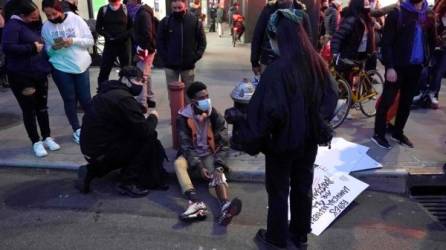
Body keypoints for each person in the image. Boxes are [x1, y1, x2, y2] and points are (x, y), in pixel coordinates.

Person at [225, 9, 337, 249]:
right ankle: (299, 235)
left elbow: (266, 113)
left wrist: (244, 129)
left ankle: (276, 238)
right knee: (302, 187)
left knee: (278, 191)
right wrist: (314, 121)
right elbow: (331, 98)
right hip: (308, 141)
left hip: (282, 143)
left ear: (279, 38)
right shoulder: (317, 63)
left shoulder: (277, 71)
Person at [78, 66, 168, 197]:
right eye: (137, 80)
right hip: (102, 150)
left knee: (132, 136)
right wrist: (153, 117)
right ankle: (128, 182)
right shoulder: (123, 99)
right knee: (148, 138)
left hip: (89, 148)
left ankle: (91, 170)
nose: (140, 85)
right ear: (125, 79)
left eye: (142, 81)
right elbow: (145, 130)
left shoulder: (106, 92)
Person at [175, 81, 242, 225]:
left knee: (218, 172)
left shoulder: (214, 114)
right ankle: (195, 201)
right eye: (201, 98)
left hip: (209, 153)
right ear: (192, 101)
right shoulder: (183, 117)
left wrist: (219, 165)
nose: (206, 100)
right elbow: (186, 146)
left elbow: (224, 143)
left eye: (207, 96)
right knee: (178, 163)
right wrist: (199, 166)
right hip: (192, 155)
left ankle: (225, 205)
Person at [373, 0, 435, 149]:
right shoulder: (397, 13)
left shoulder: (428, 15)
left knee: (406, 103)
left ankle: (398, 132)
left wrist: (427, 62)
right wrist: (390, 67)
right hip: (397, 66)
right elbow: (386, 43)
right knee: (387, 101)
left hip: (416, 67)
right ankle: (378, 134)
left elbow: (431, 40)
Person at [2, 0, 60, 157]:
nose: (36, 18)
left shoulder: (34, 24)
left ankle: (47, 137)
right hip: (21, 76)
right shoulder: (13, 26)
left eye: (37, 15)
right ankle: (36, 141)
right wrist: (32, 48)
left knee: (42, 107)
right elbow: (7, 48)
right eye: (33, 16)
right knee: (29, 110)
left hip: (39, 72)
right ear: (23, 16)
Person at [41, 0, 93, 144]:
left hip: (80, 65)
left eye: (54, 13)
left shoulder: (76, 20)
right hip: (60, 66)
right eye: (47, 15)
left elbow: (90, 41)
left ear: (60, 10)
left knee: (86, 99)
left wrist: (73, 40)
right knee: (69, 99)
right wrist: (53, 48)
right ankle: (77, 129)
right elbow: (48, 52)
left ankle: (92, 126)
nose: (51, 18)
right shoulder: (46, 27)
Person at [156, 0, 206, 100]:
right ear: (171, 7)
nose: (177, 10)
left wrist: (195, 57)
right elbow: (159, 42)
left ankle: (187, 115)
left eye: (180, 8)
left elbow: (202, 42)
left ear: (185, 6)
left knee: (189, 96)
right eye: (174, 8)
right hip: (170, 66)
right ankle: (175, 115)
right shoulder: (165, 22)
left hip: (188, 66)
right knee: (173, 96)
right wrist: (165, 58)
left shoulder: (194, 21)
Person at [250, 0, 311, 75]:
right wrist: (254, 61)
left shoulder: (301, 12)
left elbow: (308, 41)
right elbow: (258, 34)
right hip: (269, 60)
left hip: (293, 64)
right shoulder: (269, 9)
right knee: (268, 85)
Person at [413, 0, 446, 109]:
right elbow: (429, 33)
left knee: (438, 73)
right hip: (431, 49)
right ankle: (421, 92)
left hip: (443, 50)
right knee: (425, 71)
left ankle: (431, 94)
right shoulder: (434, 16)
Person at [331, 0, 376, 77]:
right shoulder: (352, 20)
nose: (367, 3)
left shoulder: (366, 19)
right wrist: (335, 54)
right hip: (351, 55)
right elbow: (337, 37)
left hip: (362, 55)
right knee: (348, 79)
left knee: (361, 78)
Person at [126, 0, 158, 111]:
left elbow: (146, 35)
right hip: (147, 48)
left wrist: (140, 53)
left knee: (141, 76)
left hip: (145, 50)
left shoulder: (142, 13)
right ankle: (149, 98)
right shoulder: (141, 11)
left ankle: (142, 104)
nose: (127, 2)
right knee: (146, 75)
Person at [96, 0, 132, 88]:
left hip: (124, 45)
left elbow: (132, 27)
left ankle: (125, 92)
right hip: (110, 45)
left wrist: (123, 35)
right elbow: (98, 28)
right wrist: (106, 35)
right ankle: (102, 92)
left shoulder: (125, 9)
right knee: (104, 70)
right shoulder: (103, 10)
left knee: (126, 71)